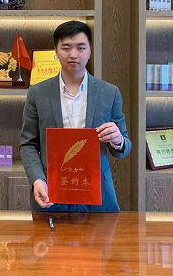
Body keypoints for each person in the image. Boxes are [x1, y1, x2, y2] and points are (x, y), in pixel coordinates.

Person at [20, 21, 132, 212]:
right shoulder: (37, 93)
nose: (73, 54)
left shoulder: (109, 93)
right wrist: (37, 179)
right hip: (51, 192)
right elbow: (28, 144)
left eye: (81, 47)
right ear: (56, 51)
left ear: (90, 51)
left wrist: (118, 140)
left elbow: (124, 148)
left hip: (97, 194)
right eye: (66, 47)